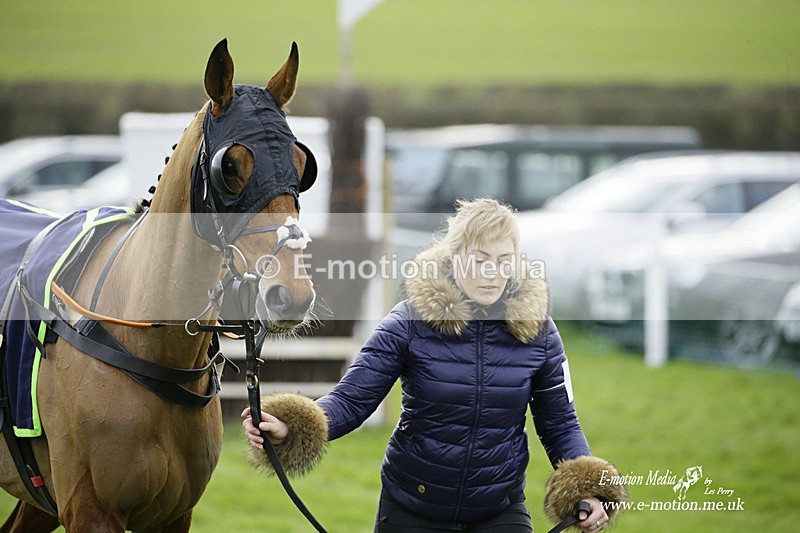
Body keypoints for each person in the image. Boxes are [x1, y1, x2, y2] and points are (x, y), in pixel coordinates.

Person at [243, 198, 627, 532]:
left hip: (499, 509)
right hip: (412, 508)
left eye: (503, 261)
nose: (492, 273)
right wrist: (292, 426)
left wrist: (588, 488)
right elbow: (352, 400)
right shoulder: (409, 321)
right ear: (455, 258)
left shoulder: (539, 332)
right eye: (480, 260)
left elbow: (560, 423)